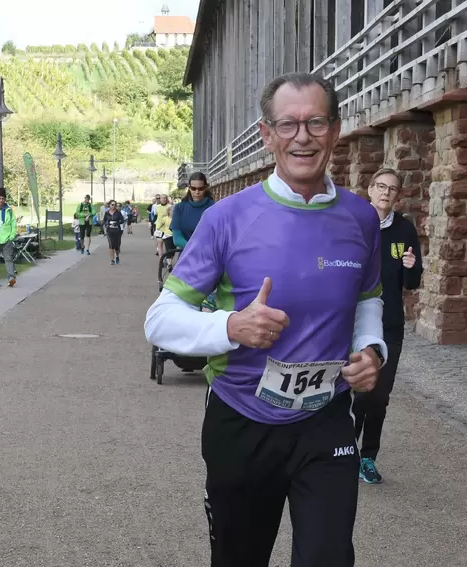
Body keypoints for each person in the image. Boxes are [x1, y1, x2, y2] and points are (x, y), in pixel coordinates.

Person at [144, 72, 387, 567]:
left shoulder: (362, 218)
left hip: (326, 418)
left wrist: (371, 349)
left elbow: (368, 298)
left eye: (316, 122)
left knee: (328, 556)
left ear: (335, 130)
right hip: (242, 420)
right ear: (267, 134)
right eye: (289, 124)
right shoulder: (227, 217)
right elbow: (160, 320)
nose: (303, 136)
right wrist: (230, 328)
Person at [354, 167, 422, 484]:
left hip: (389, 323)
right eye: (380, 186)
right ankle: (341, 449)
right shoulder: (354, 222)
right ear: (370, 189)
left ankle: (367, 457)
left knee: (379, 395)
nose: (386, 192)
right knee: (351, 390)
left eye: (392, 189)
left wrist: (410, 268)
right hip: (351, 321)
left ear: (398, 195)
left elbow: (411, 282)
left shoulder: (405, 231)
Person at [171, 173, 215, 248]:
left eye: (200, 189)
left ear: (206, 187)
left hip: (209, 255)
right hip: (186, 255)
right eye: (193, 188)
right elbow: (177, 238)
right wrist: (194, 248)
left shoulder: (214, 207)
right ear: (189, 187)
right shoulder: (179, 208)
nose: (197, 192)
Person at [101, 199, 125, 265]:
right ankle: (112, 260)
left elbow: (122, 220)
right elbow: (104, 220)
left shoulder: (118, 213)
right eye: (112, 205)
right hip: (109, 231)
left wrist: (117, 223)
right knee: (111, 245)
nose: (114, 206)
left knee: (116, 246)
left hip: (117, 230)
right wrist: (105, 224)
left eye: (115, 205)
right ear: (109, 205)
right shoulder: (107, 213)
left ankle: (117, 256)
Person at [156, 204, 175, 269]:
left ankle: (170, 262)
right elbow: (160, 225)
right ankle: (169, 264)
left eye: (174, 210)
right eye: (172, 210)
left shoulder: (177, 218)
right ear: (169, 211)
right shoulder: (165, 218)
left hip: (174, 236)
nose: (173, 211)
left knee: (173, 250)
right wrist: (157, 229)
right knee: (168, 249)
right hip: (167, 235)